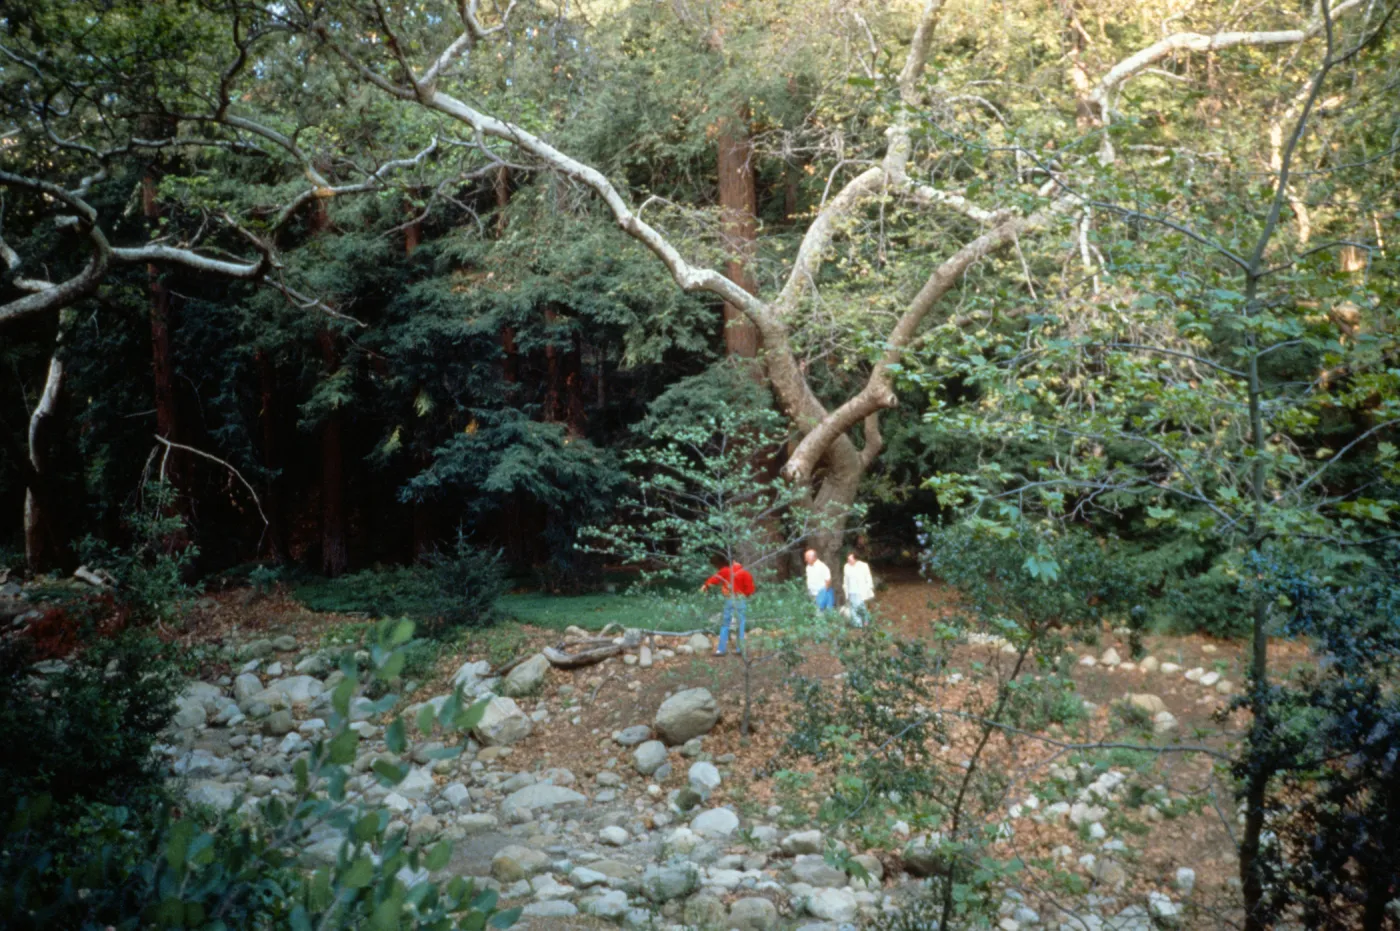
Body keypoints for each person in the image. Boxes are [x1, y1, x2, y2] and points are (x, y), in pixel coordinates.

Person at [700, 558, 755, 656]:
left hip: (729, 599)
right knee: (740, 624)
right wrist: (744, 595)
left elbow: (715, 579)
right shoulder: (745, 573)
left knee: (725, 624)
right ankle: (740, 649)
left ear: (733, 561)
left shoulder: (726, 571)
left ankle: (721, 650)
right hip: (740, 599)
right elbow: (750, 590)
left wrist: (705, 585)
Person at [843, 551, 874, 627]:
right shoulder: (846, 566)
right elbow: (845, 579)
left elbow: (868, 577)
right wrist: (845, 589)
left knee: (861, 606)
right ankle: (857, 624)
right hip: (851, 590)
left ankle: (866, 621)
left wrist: (868, 587)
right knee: (853, 607)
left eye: (851, 560)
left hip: (860, 590)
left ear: (855, 559)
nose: (849, 561)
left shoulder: (863, 566)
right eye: (848, 560)